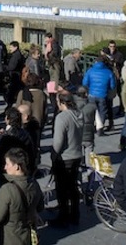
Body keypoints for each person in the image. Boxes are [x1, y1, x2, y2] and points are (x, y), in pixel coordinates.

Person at [0, 147, 43, 245]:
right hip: (29, 236)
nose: (5, 167)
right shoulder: (34, 184)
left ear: (17, 167)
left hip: (11, 237)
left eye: (7, 164)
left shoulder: (8, 189)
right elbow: (40, 207)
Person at [49, 92, 83, 228]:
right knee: (73, 187)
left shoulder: (62, 118)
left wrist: (53, 155)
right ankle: (75, 215)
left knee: (62, 190)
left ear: (61, 102)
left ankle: (63, 218)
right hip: (77, 154)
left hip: (65, 157)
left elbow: (58, 142)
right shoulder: (79, 114)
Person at [82, 55, 116, 134]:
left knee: (91, 111)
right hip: (103, 94)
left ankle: (91, 127)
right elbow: (112, 86)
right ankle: (100, 128)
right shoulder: (108, 72)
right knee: (102, 111)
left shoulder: (90, 70)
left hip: (92, 94)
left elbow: (84, 83)